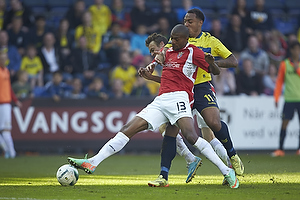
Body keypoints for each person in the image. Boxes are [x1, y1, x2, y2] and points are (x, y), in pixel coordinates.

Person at [68, 25, 239, 189]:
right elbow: (159, 57)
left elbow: (214, 71)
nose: (173, 41)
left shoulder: (194, 52)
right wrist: (151, 66)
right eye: (171, 38)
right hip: (161, 100)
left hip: (180, 97)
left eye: (176, 39)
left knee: (190, 135)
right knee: (128, 128)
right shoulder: (169, 50)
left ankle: (226, 171)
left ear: (186, 39)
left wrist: (212, 63)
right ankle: (93, 162)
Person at [147, 8, 244, 184]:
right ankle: (163, 175)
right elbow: (164, 54)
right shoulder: (176, 39)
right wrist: (155, 61)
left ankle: (232, 155)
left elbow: (233, 61)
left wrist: (214, 62)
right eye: (185, 21)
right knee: (171, 131)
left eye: (190, 21)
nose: (186, 24)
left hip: (202, 86)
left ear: (200, 22)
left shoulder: (210, 41)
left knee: (213, 123)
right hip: (182, 90)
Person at [271, 41, 300, 157]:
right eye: (295, 49)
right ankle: (280, 149)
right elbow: (279, 82)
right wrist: (276, 97)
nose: (297, 52)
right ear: (291, 50)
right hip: (289, 98)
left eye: (299, 49)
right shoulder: (285, 64)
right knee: (284, 124)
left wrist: (297, 69)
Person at [0, 50, 22, 158]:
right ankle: (10, 152)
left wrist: (15, 99)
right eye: (2, 58)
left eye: (5, 59)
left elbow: (8, 88)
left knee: (5, 129)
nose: (4, 61)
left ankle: (9, 152)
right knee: (5, 130)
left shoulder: (6, 71)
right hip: (1, 103)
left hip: (6, 103)